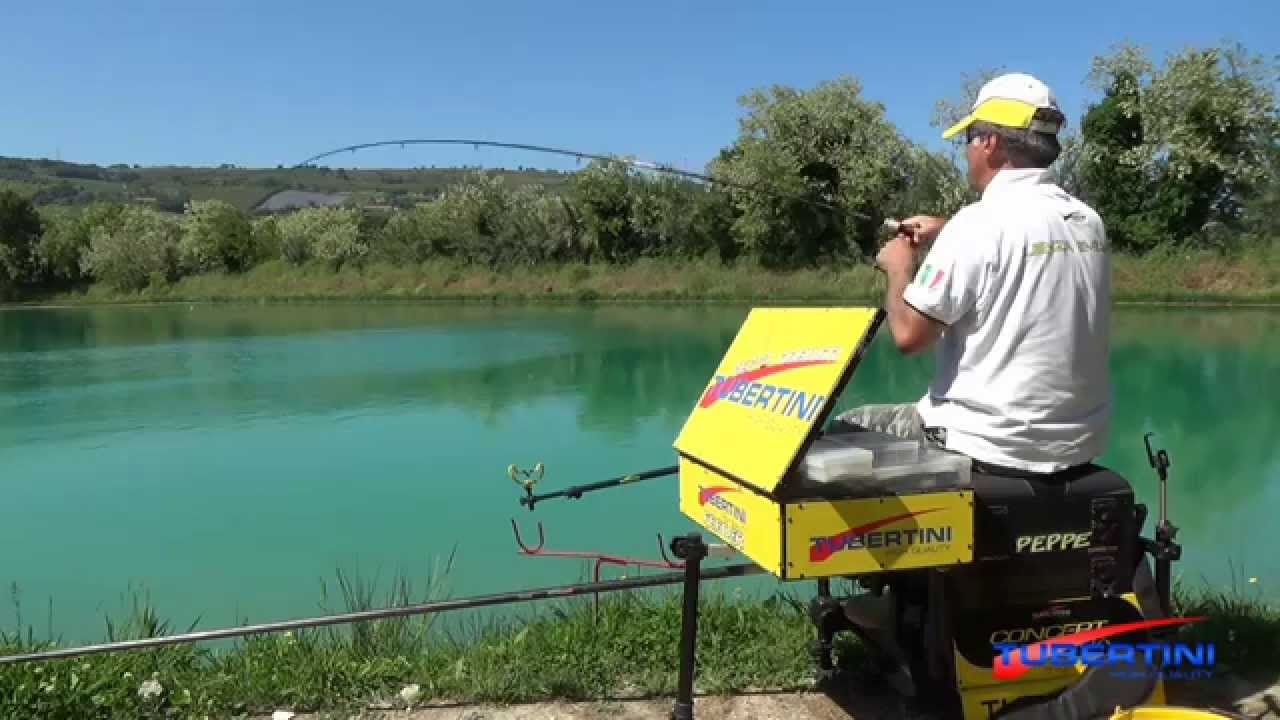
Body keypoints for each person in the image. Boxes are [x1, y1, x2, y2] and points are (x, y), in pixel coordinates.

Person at [835, 72, 1111, 476]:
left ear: (990, 143)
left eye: (969, 140)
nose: (967, 152)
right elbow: (1021, 247)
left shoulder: (978, 224)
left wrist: (898, 269)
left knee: (848, 428)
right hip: (1077, 443)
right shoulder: (1088, 222)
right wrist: (945, 231)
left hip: (985, 445)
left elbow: (910, 336)